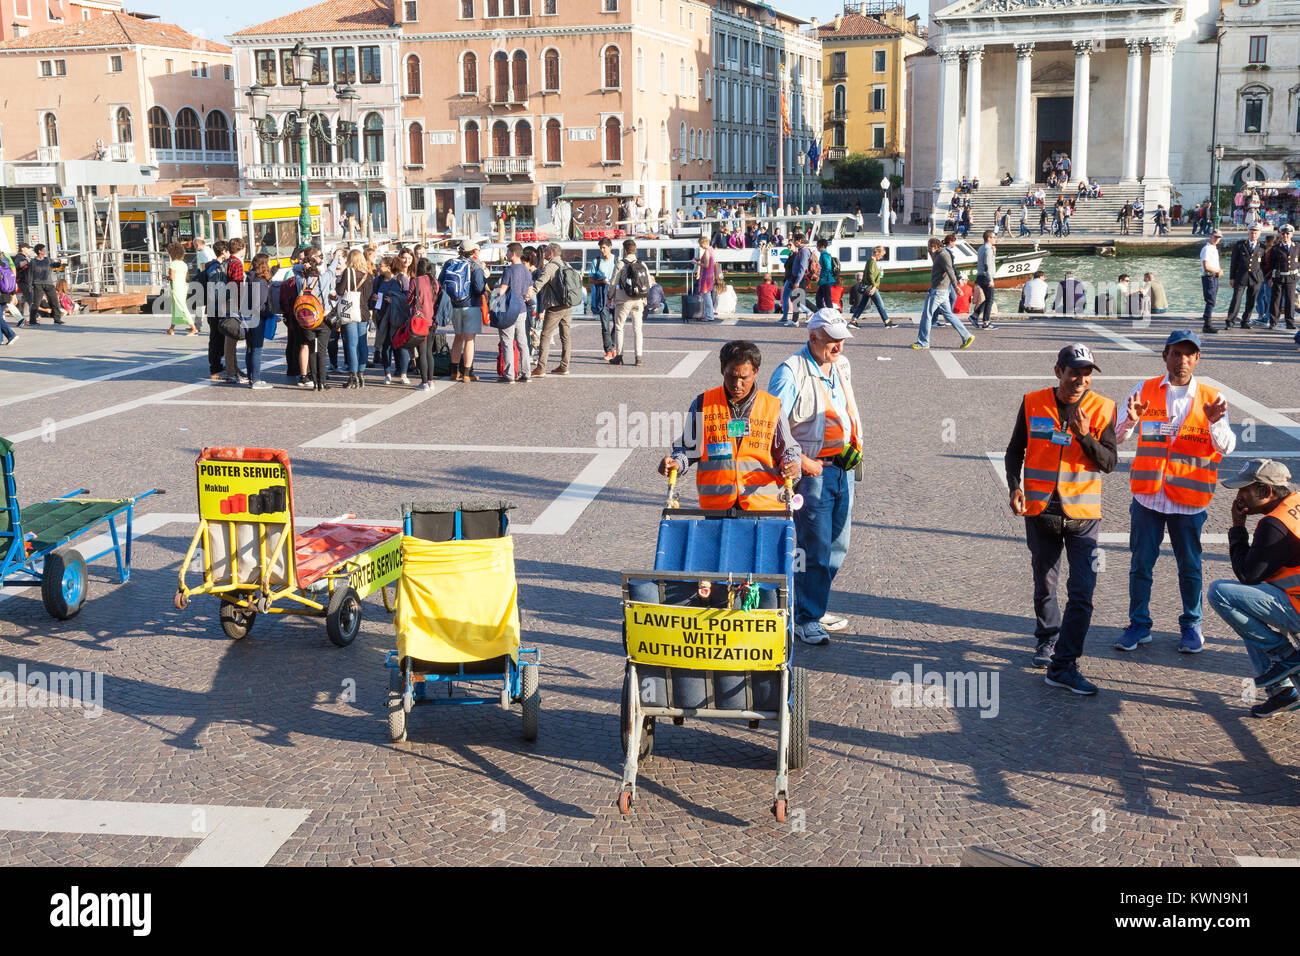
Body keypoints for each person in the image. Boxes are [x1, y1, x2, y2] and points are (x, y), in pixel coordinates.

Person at [1005, 344, 1117, 692]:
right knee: (1045, 583)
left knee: (1082, 591)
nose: (1080, 380)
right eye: (1074, 373)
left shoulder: (1103, 408)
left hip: (1083, 515)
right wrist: (1014, 487)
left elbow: (1109, 463)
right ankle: (1048, 639)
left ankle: (1066, 661)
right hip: (1040, 510)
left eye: (1086, 374)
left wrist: (1084, 435)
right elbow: (1015, 450)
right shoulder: (1033, 401)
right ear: (1058, 371)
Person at [1115, 330, 1235, 654]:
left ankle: (1192, 625)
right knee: (1141, 564)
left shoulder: (1212, 398)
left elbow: (1227, 446)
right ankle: (1139, 624)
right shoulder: (1145, 390)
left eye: (1189, 354)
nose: (1182, 361)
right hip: (1148, 495)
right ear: (1165, 355)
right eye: (1176, 354)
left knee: (1190, 566)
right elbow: (1115, 438)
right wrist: (1128, 420)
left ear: (1197, 358)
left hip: (1189, 500)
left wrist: (1214, 425)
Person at [769, 309, 863, 645]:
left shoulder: (841, 366)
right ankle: (804, 616)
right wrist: (802, 461)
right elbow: (772, 427)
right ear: (812, 338)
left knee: (839, 544)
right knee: (814, 549)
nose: (838, 346)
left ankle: (814, 604)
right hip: (812, 472)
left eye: (841, 339)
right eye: (831, 340)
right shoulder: (790, 372)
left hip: (843, 467)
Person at [659, 339, 799, 513]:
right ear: (721, 370)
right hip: (717, 505)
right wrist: (676, 463)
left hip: (762, 506)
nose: (737, 384)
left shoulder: (772, 406)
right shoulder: (703, 404)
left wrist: (793, 464)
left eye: (743, 378)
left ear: (755, 372)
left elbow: (788, 450)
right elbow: (688, 449)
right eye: (731, 376)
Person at [1207, 459, 1300, 717]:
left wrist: (1238, 528)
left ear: (1265, 491)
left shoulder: (1274, 524)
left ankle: (1287, 658)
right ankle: (1282, 692)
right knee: (1248, 616)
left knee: (1221, 594)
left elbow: (1247, 575)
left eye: (1243, 490)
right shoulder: (1296, 503)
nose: (1238, 497)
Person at [913, 237, 973, 351]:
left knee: (927, 316)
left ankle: (923, 342)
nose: (927, 249)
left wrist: (956, 287)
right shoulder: (940, 254)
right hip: (943, 291)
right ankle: (967, 336)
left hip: (938, 291)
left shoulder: (943, 255)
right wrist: (931, 253)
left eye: (929, 247)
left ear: (934, 246)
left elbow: (950, 271)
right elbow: (938, 266)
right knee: (949, 315)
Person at [439, 239, 485, 383]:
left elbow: (440, 282)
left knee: (458, 337)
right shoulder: (475, 265)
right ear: (473, 251)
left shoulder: (449, 263)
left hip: (454, 305)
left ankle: (454, 371)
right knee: (470, 339)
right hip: (471, 305)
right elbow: (478, 288)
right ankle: (467, 372)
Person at [527, 242, 575, 376]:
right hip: (568, 304)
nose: (544, 253)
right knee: (565, 336)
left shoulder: (551, 267)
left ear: (551, 254)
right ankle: (564, 366)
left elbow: (539, 284)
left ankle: (541, 367)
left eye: (546, 250)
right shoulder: (567, 265)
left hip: (554, 307)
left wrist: (528, 294)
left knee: (545, 335)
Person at [494, 241, 532, 383]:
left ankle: (509, 375)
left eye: (508, 251)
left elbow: (502, 291)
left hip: (509, 310)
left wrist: (496, 289)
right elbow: (529, 292)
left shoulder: (508, 270)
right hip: (522, 309)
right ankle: (526, 373)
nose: (506, 254)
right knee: (522, 342)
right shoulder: (526, 270)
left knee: (508, 342)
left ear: (513, 253)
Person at [610, 238, 652, 366]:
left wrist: (609, 296)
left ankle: (619, 356)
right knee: (638, 329)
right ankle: (638, 357)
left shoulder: (621, 264)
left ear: (625, 250)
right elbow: (649, 283)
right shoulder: (642, 264)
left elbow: (613, 283)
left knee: (619, 327)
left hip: (623, 300)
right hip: (638, 300)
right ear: (635, 250)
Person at [336, 248, 369, 389]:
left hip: (350, 311)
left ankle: (353, 375)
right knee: (362, 344)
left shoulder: (348, 273)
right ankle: (361, 374)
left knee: (351, 345)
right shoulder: (368, 275)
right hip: (364, 313)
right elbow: (368, 296)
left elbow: (339, 291)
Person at [243, 253, 275, 391]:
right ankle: (256, 379)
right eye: (268, 263)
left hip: (247, 317)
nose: (269, 265)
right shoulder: (261, 283)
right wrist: (272, 314)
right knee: (257, 349)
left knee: (250, 349)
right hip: (257, 319)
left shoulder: (251, 278)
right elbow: (260, 306)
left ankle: (251, 377)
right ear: (264, 265)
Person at [1225, 223, 1265, 330]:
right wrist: (1232, 277)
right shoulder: (1240, 245)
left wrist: (1262, 278)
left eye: (1256, 233)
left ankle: (1245, 321)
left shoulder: (1263, 247)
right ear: (1248, 233)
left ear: (1259, 234)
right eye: (1251, 232)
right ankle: (1230, 321)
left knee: (1251, 301)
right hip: (1241, 277)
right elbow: (1234, 262)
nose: (1253, 235)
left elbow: (1265, 264)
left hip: (1256, 278)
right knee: (1236, 299)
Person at [221, 237, 248, 384]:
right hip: (233, 302)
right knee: (232, 337)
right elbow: (237, 285)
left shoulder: (227, 262)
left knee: (230, 337)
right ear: (241, 248)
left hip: (225, 301)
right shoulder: (237, 263)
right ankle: (231, 371)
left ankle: (234, 368)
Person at [850, 245, 895, 328]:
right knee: (880, 304)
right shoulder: (872, 261)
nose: (881, 257)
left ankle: (853, 321)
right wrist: (874, 286)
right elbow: (871, 274)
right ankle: (887, 322)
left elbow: (870, 273)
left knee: (862, 305)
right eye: (881, 255)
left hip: (868, 286)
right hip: (871, 287)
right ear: (877, 253)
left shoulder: (870, 261)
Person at [589, 237, 618, 360]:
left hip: (616, 297)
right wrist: (601, 281)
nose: (602, 250)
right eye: (600, 248)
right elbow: (590, 279)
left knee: (617, 325)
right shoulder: (596, 262)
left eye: (604, 248)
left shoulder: (617, 260)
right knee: (605, 326)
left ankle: (613, 347)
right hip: (602, 298)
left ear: (610, 247)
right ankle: (608, 350)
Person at [1267, 223, 1298, 330]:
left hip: (1292, 278)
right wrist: (1270, 277)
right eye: (1283, 233)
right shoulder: (1275, 248)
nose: (1285, 236)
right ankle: (1273, 321)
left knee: (1290, 300)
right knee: (1276, 300)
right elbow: (1271, 264)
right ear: (1280, 235)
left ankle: (1290, 322)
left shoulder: (1297, 247)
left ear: (1292, 234)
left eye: (1287, 233)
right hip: (1279, 277)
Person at [25, 243, 64, 327]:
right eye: (43, 250)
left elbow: (55, 265)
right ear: (39, 251)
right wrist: (29, 286)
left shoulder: (48, 260)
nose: (45, 251)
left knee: (55, 301)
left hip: (49, 284)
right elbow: (29, 275)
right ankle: (32, 320)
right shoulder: (33, 262)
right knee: (36, 303)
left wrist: (59, 263)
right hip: (38, 285)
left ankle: (57, 319)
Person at [779, 233, 812, 327]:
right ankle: (795, 320)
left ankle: (814, 311)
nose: (794, 243)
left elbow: (802, 267)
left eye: (794, 241)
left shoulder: (804, 251)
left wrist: (797, 281)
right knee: (795, 299)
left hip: (799, 279)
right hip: (796, 278)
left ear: (800, 241)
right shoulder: (800, 251)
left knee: (799, 299)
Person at [165, 242, 197, 336]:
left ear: (172, 253)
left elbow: (171, 277)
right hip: (183, 287)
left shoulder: (173, 264)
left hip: (176, 288)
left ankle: (193, 328)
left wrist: (166, 277)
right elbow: (187, 277)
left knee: (181, 307)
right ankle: (171, 329)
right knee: (176, 307)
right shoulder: (184, 264)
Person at [1198, 229, 1224, 334]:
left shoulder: (1213, 249)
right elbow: (1206, 266)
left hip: (1213, 276)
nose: (1217, 239)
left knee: (1211, 300)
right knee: (1210, 300)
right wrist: (1218, 270)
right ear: (1210, 236)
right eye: (1215, 237)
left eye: (1218, 237)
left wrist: (1218, 271)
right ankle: (1207, 324)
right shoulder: (1207, 249)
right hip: (1209, 277)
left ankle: (1207, 322)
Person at [974, 229, 998, 331]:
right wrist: (990, 280)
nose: (995, 239)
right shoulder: (988, 249)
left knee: (988, 299)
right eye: (993, 237)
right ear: (988, 238)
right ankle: (986, 322)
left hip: (980, 276)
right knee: (990, 299)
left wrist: (995, 253)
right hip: (986, 277)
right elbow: (987, 265)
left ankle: (975, 316)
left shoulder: (981, 248)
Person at [693, 234, 717, 322]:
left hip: (706, 276)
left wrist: (696, 263)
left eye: (700, 244)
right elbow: (710, 262)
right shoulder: (711, 250)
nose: (700, 246)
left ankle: (709, 315)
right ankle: (707, 314)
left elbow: (706, 265)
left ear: (703, 243)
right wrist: (699, 260)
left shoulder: (707, 251)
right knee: (707, 295)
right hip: (710, 275)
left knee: (706, 296)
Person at [814, 238, 835, 310]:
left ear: (822, 246)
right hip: (825, 280)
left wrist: (822, 277)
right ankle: (822, 312)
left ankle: (830, 314)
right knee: (819, 297)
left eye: (818, 246)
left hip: (826, 280)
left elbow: (828, 268)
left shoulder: (824, 255)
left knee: (826, 298)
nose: (817, 247)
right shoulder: (823, 255)